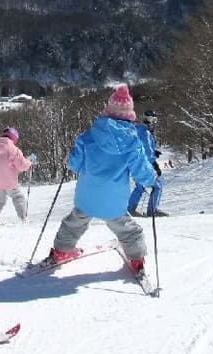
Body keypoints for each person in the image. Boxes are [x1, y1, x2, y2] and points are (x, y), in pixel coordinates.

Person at [49, 84, 158, 275]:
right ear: (130, 115)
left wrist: (71, 159)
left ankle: (61, 251)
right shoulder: (133, 142)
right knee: (129, 230)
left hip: (87, 196)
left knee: (73, 224)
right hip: (114, 201)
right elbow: (142, 171)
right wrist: (152, 179)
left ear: (108, 111)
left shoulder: (88, 136)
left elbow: (74, 164)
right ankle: (137, 259)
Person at [0, 127, 33, 225]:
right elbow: (22, 166)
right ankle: (23, 219)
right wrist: (29, 163)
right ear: (14, 138)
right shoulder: (14, 150)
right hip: (10, 182)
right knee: (18, 197)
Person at [127, 109, 165, 217]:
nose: (155, 123)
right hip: (143, 164)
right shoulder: (145, 132)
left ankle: (130, 209)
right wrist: (154, 164)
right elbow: (147, 152)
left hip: (137, 163)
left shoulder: (139, 130)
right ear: (150, 119)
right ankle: (152, 211)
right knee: (157, 186)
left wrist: (154, 152)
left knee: (140, 186)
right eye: (154, 120)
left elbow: (143, 147)